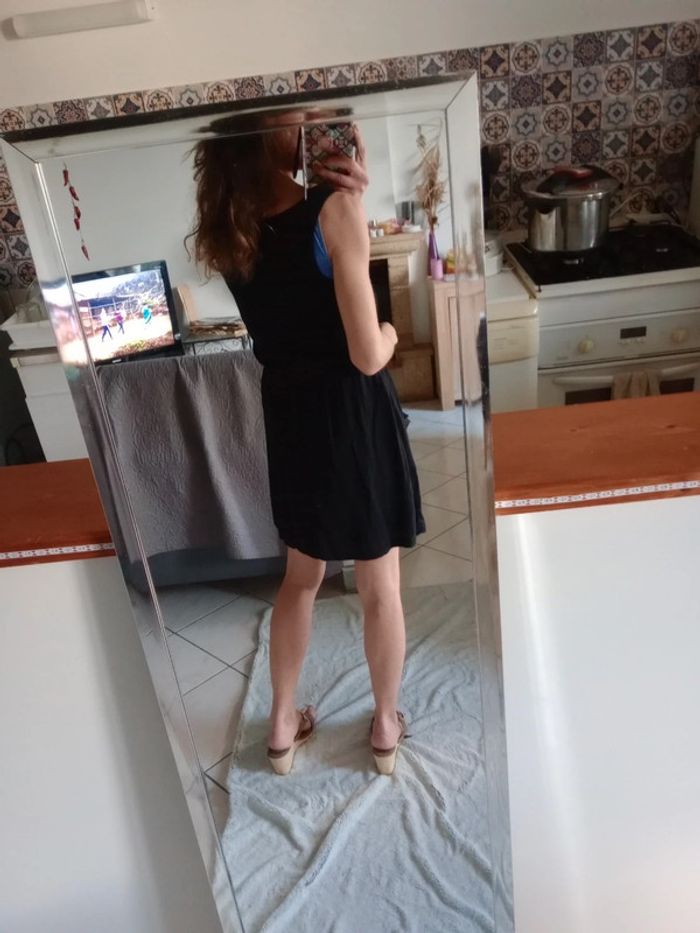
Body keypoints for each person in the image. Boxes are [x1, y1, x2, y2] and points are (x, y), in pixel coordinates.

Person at [188, 113, 425, 776]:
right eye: (300, 120)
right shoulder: (332, 209)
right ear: (272, 136)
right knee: (379, 581)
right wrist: (391, 331)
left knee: (300, 578)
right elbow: (367, 354)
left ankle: (281, 725)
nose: (312, 126)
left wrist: (346, 202)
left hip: (289, 411)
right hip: (351, 412)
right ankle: (384, 724)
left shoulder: (229, 226)